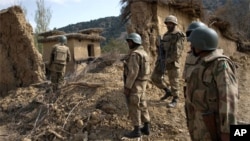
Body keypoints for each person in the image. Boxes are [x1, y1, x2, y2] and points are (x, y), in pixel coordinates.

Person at [185, 27, 238, 141]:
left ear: (201, 44)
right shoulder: (201, 62)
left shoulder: (220, 64)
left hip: (214, 126)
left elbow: (228, 99)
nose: (191, 46)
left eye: (193, 43)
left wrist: (227, 132)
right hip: (200, 125)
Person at [151, 15, 185, 108]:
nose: (169, 25)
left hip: (172, 62)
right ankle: (167, 91)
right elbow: (161, 50)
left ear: (175, 24)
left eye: (171, 23)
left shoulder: (178, 35)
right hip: (162, 60)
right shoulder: (165, 35)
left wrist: (168, 60)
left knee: (174, 81)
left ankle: (175, 99)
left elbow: (177, 52)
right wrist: (158, 46)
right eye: (167, 23)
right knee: (155, 77)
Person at [123, 33, 151, 138]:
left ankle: (137, 130)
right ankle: (146, 127)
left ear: (135, 42)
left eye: (130, 41)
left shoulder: (135, 54)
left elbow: (133, 72)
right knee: (143, 104)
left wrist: (127, 87)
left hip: (135, 84)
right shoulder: (144, 53)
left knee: (134, 105)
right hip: (143, 83)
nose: (128, 43)